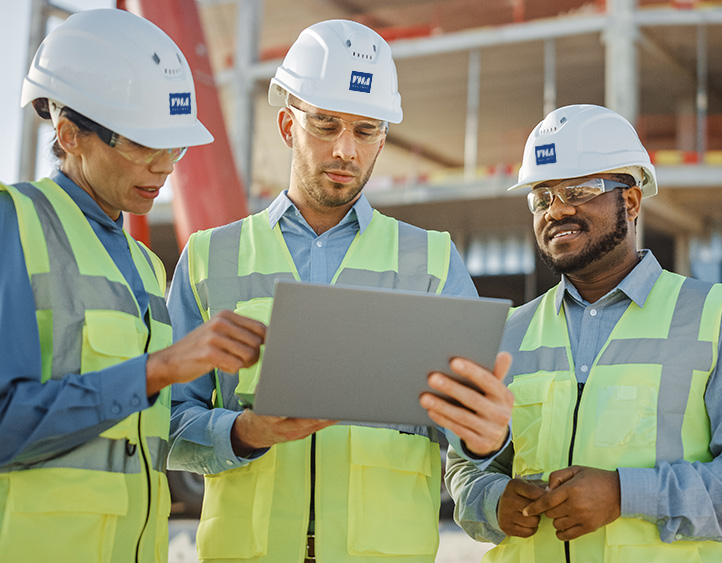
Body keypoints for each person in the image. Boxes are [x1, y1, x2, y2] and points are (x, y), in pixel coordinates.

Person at [166, 19, 513, 562]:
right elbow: (164, 422)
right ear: (287, 125)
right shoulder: (211, 258)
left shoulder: (433, 262)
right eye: (326, 125)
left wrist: (488, 432)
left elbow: (472, 436)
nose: (347, 151)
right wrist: (245, 432)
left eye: (366, 130)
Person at [445, 104, 722, 562]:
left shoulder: (718, 319)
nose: (558, 209)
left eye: (580, 189)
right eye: (542, 196)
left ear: (630, 202)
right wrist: (493, 501)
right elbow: (465, 465)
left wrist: (626, 494)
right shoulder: (508, 334)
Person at [0, 9, 268, 563]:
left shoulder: (147, 266)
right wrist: (160, 370)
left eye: (175, 147)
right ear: (69, 133)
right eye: (145, 145)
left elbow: (144, 435)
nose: (165, 166)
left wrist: (248, 430)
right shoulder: (15, 225)